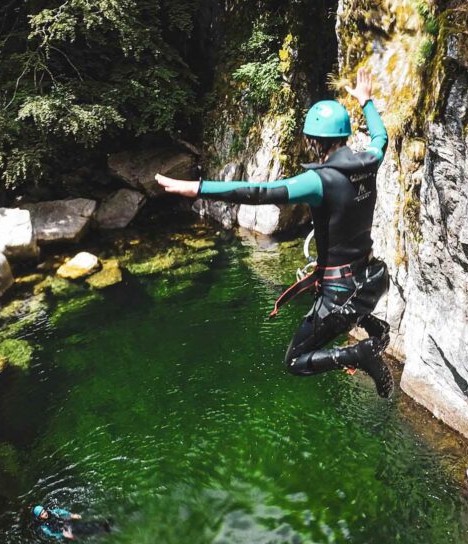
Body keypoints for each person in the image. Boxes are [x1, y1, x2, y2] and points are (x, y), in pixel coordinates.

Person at [155, 67, 394, 398]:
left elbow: (259, 192)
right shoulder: (369, 160)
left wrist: (197, 188)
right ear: (344, 135)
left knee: (296, 360)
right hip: (371, 277)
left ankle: (360, 353)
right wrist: (367, 102)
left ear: (312, 141)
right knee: (326, 311)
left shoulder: (319, 181)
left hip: (342, 293)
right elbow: (381, 137)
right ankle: (373, 326)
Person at [33, 504, 111, 540]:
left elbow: (60, 511)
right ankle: (103, 530)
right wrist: (63, 534)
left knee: (84, 524)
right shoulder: (44, 526)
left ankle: (102, 526)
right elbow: (52, 534)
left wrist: (71, 515)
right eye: (42, 514)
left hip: (67, 523)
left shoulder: (51, 512)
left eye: (44, 511)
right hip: (66, 530)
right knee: (83, 529)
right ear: (39, 517)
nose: (45, 513)